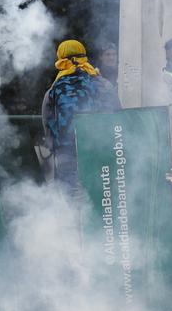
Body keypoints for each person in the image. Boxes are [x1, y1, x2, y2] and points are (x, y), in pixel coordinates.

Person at [41, 39, 121, 197]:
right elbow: (119, 116)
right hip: (100, 152)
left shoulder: (53, 90)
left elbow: (47, 125)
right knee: (101, 198)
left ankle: (75, 221)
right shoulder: (103, 84)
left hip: (67, 155)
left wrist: (54, 148)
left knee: (73, 199)